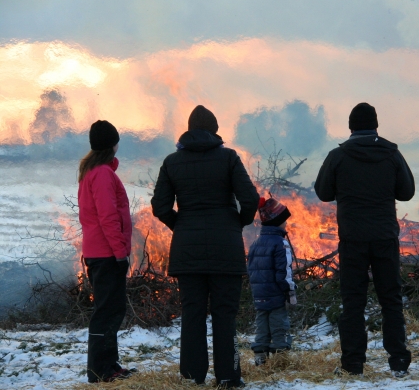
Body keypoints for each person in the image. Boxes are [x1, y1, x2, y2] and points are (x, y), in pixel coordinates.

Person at [151, 105, 259, 388]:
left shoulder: (172, 162)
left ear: (188, 131)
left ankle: (192, 377)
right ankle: (228, 376)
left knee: (193, 313)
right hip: (226, 246)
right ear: (215, 131)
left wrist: (182, 225)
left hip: (188, 249)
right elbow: (250, 199)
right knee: (225, 314)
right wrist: (237, 223)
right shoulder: (229, 158)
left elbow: (160, 206)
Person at [314, 102, 415, 378]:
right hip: (384, 237)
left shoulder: (338, 156)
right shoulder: (392, 154)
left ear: (350, 127)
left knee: (353, 302)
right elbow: (407, 193)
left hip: (353, 239)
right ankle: (398, 361)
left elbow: (322, 192)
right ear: (376, 126)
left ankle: (353, 363)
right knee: (391, 300)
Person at [78, 120, 135, 383]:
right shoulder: (102, 174)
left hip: (100, 252)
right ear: (111, 145)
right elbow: (108, 217)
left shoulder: (92, 171)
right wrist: (120, 252)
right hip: (106, 254)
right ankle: (100, 370)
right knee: (107, 312)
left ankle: (109, 366)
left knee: (111, 310)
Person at [247, 197, 297, 366]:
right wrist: (290, 293)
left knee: (262, 325)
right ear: (277, 223)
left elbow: (251, 270)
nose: (286, 224)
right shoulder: (281, 244)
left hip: (259, 294)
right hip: (276, 294)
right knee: (279, 325)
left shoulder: (255, 244)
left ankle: (260, 358)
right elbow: (284, 272)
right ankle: (280, 359)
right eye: (284, 221)